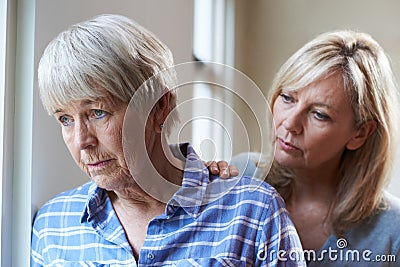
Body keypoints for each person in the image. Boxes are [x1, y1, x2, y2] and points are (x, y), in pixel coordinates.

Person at [31, 14, 306, 266]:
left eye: (98, 112)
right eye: (65, 119)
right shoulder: (52, 224)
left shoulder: (253, 212)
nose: (81, 141)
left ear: (159, 106)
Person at [213, 30, 400, 266]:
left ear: (360, 133)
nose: (290, 123)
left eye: (319, 114)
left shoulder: (392, 231)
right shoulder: (239, 175)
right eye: (288, 98)